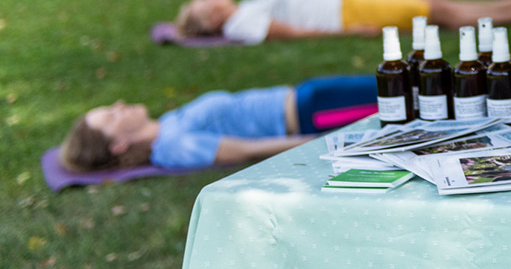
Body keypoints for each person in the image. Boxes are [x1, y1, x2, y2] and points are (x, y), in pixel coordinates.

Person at [57, 76, 377, 173]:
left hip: (308, 96)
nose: (119, 106)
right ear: (119, 145)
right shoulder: (172, 146)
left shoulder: (168, 123)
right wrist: (324, 141)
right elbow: (247, 150)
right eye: (111, 117)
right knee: (399, 93)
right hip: (313, 114)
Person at [173, 0, 511, 44]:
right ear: (213, 20)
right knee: (438, 13)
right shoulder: (242, 23)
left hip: (347, 1)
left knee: (434, 3)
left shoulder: (241, 10)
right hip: (346, 14)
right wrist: (350, 31)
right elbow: (291, 32)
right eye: (208, 1)